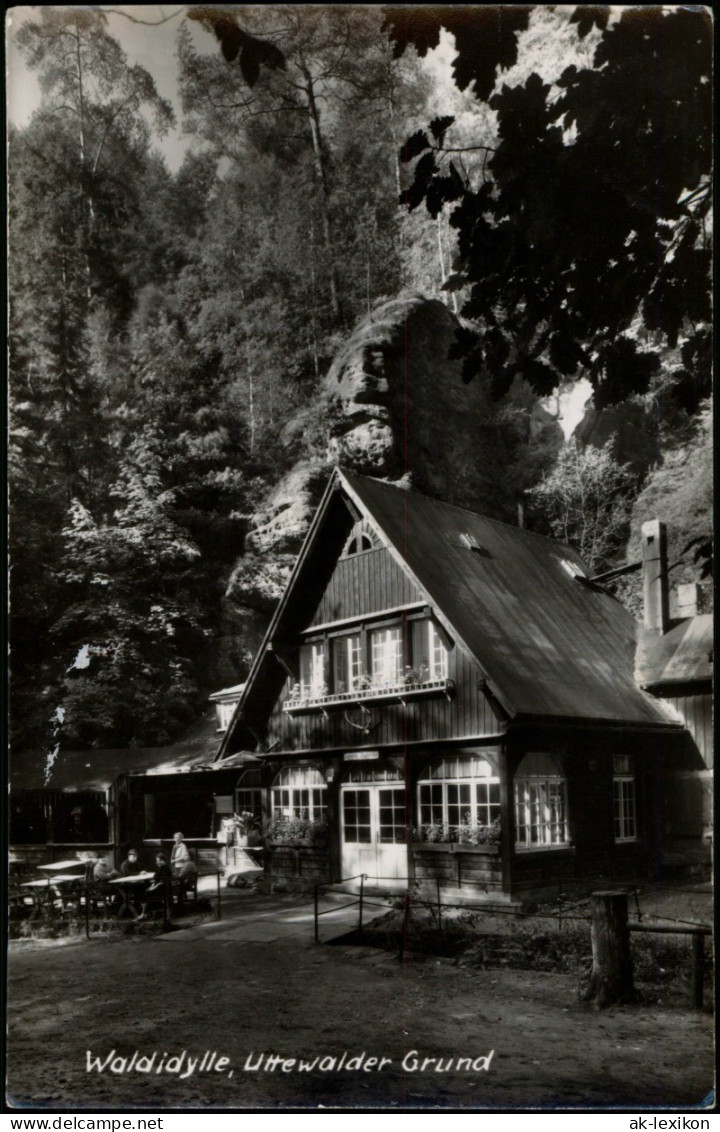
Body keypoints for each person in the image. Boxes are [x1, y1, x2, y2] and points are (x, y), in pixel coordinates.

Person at [136, 853, 173, 921]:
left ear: (164, 861)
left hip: (164, 889)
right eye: (157, 861)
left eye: (159, 861)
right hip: (160, 887)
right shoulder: (160, 868)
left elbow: (162, 882)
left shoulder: (165, 869)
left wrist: (153, 887)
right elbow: (156, 880)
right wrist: (151, 886)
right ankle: (146, 913)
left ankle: (143, 914)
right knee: (145, 889)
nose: (158, 862)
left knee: (146, 893)